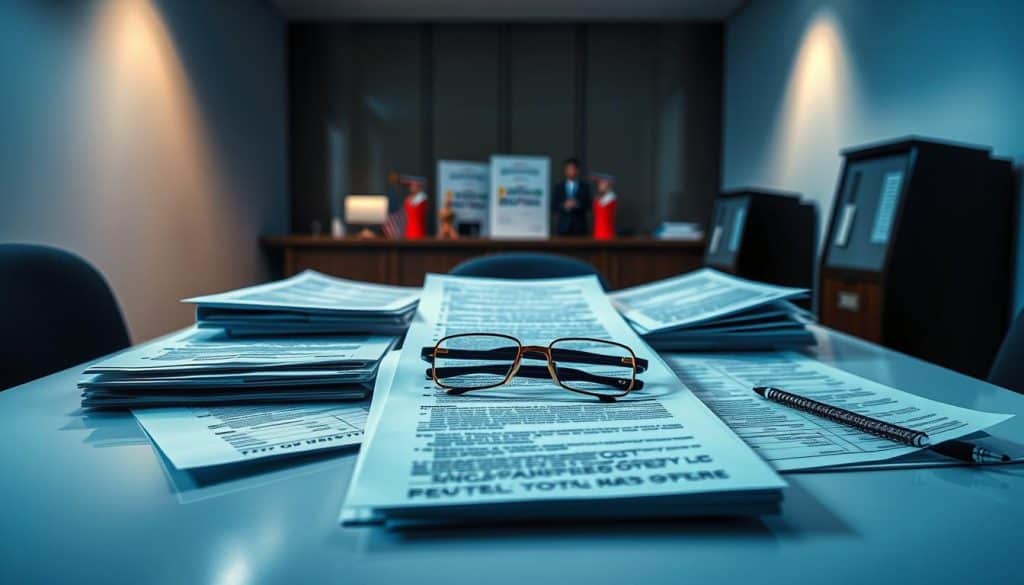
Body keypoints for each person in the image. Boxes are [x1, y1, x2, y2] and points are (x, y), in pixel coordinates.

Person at [551, 157, 592, 236]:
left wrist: (577, 204)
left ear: (577, 170)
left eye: (572, 169)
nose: (570, 171)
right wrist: (564, 205)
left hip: (580, 228)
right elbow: (553, 206)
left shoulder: (585, 187)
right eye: (568, 169)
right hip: (563, 227)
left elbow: (589, 206)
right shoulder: (559, 187)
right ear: (565, 170)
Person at [401, 175, 429, 239]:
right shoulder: (408, 199)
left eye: (414, 185)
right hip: (409, 229)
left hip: (418, 229)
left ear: (419, 186)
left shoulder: (422, 198)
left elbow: (416, 210)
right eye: (411, 185)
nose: (411, 187)